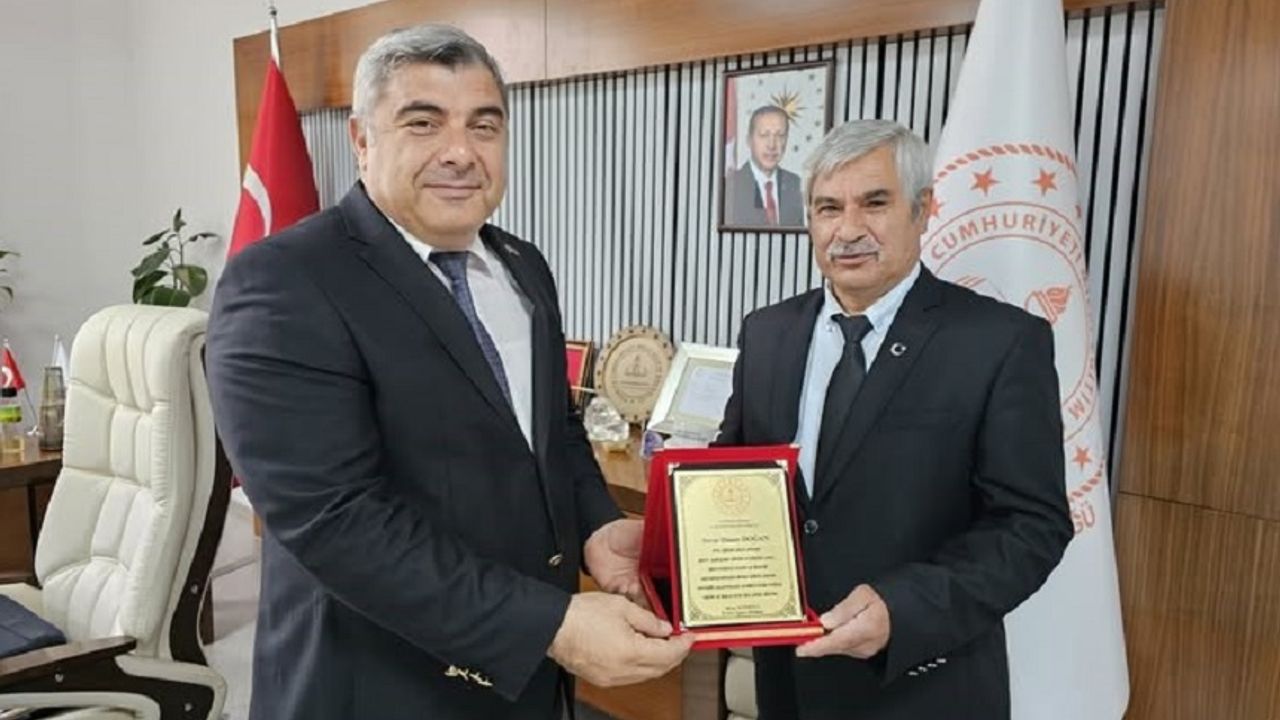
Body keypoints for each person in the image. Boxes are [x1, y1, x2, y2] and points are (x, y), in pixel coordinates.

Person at [206, 24, 692, 720]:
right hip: (376, 688)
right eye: (423, 123)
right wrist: (547, 626)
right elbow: (336, 519)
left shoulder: (523, 266)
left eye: (483, 126)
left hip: (523, 684)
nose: (461, 152)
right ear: (362, 139)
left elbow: (553, 430)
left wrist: (596, 526)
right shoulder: (283, 280)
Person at [716, 119, 1073, 719]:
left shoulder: (1001, 342)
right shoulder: (767, 332)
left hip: (922, 686)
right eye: (829, 208)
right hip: (789, 681)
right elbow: (733, 475)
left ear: (922, 209)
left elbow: (1032, 525)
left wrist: (904, 610)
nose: (849, 229)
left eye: (875, 203)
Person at [724, 105, 806, 227]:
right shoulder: (731, 186)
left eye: (780, 135)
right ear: (749, 140)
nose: (772, 145)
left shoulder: (794, 183)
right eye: (764, 135)